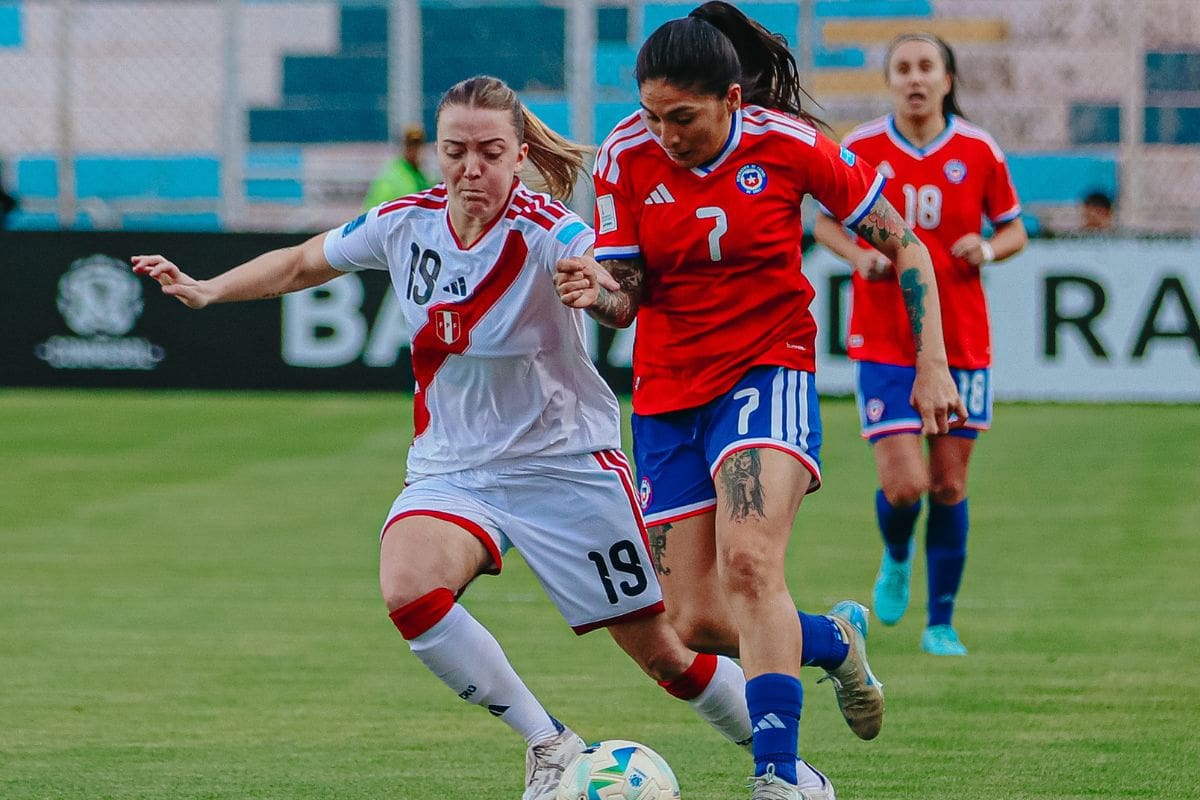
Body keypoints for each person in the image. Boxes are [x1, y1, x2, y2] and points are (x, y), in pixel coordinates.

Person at [132, 74, 811, 800]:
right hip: (454, 469)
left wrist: (603, 292)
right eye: (455, 150)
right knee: (408, 585)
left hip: (567, 467)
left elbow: (619, 288)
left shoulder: (551, 230)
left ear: (519, 155)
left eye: (490, 151)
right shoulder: (403, 223)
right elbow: (302, 261)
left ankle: (791, 767)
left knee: (673, 655)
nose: (470, 168)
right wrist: (208, 288)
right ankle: (549, 743)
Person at [555, 4, 966, 798]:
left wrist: (932, 365)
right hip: (669, 394)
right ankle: (834, 640)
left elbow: (905, 242)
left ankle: (780, 779)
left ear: (733, 101)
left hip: (766, 371)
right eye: (651, 115)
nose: (666, 135)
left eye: (683, 118)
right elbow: (629, 293)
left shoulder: (794, 146)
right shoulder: (622, 157)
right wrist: (596, 292)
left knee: (751, 563)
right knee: (695, 621)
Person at [813, 33, 1028, 657]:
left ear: (947, 79)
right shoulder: (862, 148)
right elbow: (825, 219)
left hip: (960, 339)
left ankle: (941, 622)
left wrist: (985, 248)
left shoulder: (978, 149)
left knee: (950, 484)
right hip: (883, 338)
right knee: (906, 485)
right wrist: (859, 254)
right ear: (890, 80)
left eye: (926, 67)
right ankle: (899, 553)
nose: (914, 78)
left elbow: (1014, 229)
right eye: (902, 67)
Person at [362, 123, 434, 210]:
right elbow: (375, 211)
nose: (415, 150)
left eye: (418, 145)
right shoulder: (392, 178)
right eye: (410, 145)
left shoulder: (421, 176)